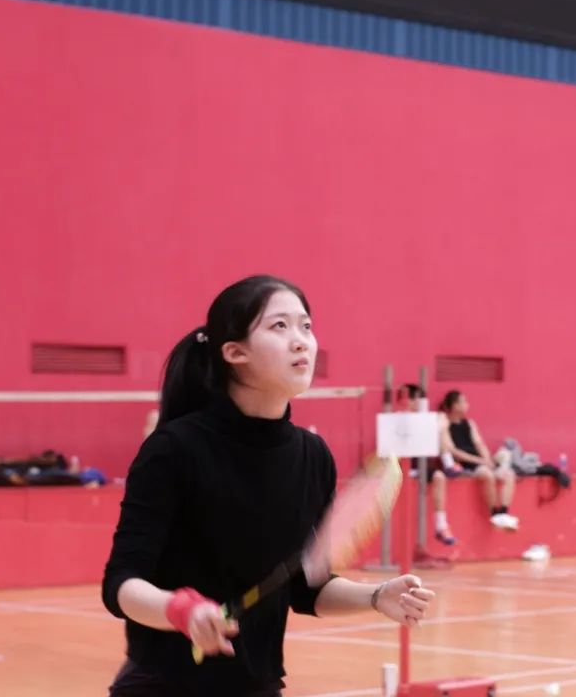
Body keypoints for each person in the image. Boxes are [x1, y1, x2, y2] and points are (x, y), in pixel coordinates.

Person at [101, 275, 434, 696]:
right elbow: (121, 584)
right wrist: (179, 610)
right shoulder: (174, 449)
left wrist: (376, 596)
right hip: (162, 686)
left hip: (258, 685)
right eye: (280, 326)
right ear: (234, 352)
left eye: (306, 326)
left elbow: (306, 588)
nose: (301, 342)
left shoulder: (312, 457)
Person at [438, 390, 519, 530]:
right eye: (464, 401)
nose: (467, 405)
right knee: (487, 475)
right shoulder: (445, 425)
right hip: (465, 465)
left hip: (480, 462)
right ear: (455, 405)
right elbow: (454, 452)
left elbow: (479, 444)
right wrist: (480, 462)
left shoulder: (469, 424)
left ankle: (503, 513)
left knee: (508, 474)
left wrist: (487, 460)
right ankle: (494, 513)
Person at [398, 384, 459, 546]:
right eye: (419, 399)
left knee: (439, 477)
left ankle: (441, 526)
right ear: (410, 401)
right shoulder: (399, 419)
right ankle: (448, 462)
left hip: (423, 463)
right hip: (405, 465)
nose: (423, 403)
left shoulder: (426, 420)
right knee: (441, 422)